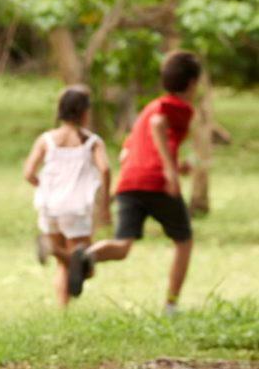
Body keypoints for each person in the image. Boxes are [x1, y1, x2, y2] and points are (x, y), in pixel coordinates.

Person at [67, 51, 200, 316]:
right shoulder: (177, 107)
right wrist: (170, 172)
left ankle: (88, 255)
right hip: (157, 182)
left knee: (122, 246)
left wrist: (174, 164)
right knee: (183, 242)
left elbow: (126, 153)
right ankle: (171, 305)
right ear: (193, 83)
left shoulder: (148, 107)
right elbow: (158, 125)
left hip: (129, 182)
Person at [23, 85, 111, 306]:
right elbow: (106, 169)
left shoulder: (47, 139)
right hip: (76, 208)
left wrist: (42, 186)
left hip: (49, 205)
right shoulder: (92, 142)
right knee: (86, 267)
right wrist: (105, 202)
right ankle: (52, 250)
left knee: (65, 264)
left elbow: (28, 173)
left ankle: (63, 310)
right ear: (84, 112)